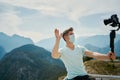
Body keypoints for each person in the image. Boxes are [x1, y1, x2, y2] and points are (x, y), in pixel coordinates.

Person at [52, 27, 116, 80]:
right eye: (71, 34)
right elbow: (54, 55)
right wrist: (57, 40)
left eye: (73, 34)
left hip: (84, 76)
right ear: (65, 37)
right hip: (73, 78)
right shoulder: (62, 51)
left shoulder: (80, 48)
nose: (73, 35)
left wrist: (107, 57)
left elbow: (93, 54)